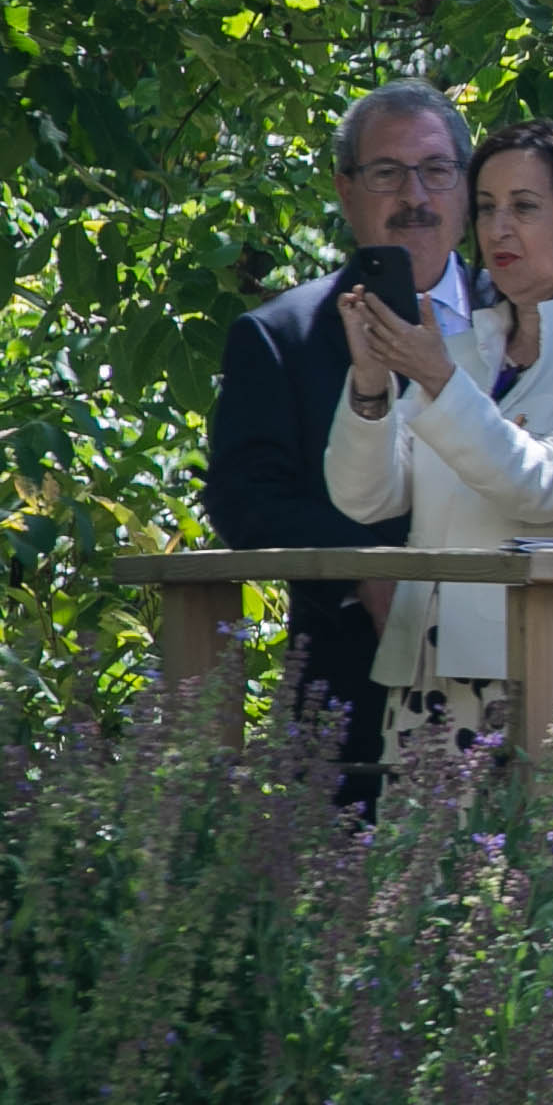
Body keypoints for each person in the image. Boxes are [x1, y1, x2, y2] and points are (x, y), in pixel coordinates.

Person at [326, 122, 553, 750]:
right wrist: (371, 380)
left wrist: (441, 382)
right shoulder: (461, 349)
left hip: (547, 672)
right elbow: (366, 500)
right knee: (413, 855)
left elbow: (549, 488)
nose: (498, 229)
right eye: (486, 208)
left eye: (524, 208)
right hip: (427, 675)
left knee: (535, 851)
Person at [206, 80, 484, 799]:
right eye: (386, 172)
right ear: (345, 188)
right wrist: (375, 562)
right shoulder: (280, 337)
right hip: (348, 689)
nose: (413, 194)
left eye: (435, 169)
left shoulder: (526, 317)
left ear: (463, 183)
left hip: (518, 672)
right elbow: (245, 506)